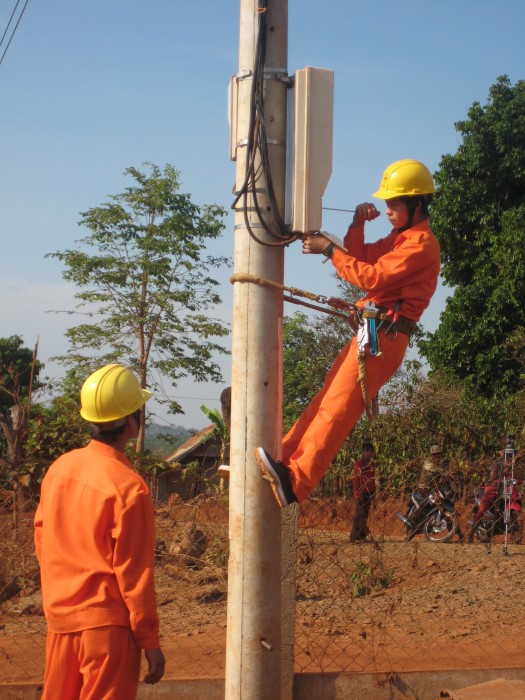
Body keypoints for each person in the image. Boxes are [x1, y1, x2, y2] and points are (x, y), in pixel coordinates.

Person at [255, 159, 441, 508]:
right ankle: (284, 458)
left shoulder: (421, 245)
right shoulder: (401, 239)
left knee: (338, 408)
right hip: (374, 332)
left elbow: (370, 278)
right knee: (326, 401)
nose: (387, 210)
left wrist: (328, 249)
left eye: (394, 203)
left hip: (384, 337)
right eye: (386, 203)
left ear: (417, 204)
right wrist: (357, 223)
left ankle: (296, 482)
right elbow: (361, 255)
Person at [34, 364, 166, 699]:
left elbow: (42, 539)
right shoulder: (129, 488)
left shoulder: (59, 469)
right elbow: (134, 575)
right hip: (107, 630)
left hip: (60, 621)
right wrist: (149, 641)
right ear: (132, 422)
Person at [349, 442, 376, 543]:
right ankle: (352, 536)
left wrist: (374, 492)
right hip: (361, 492)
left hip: (369, 492)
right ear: (363, 452)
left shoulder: (372, 464)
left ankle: (361, 536)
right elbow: (356, 480)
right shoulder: (359, 464)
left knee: (365, 515)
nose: (369, 453)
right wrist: (357, 493)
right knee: (358, 515)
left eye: (371, 451)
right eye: (367, 451)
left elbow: (373, 479)